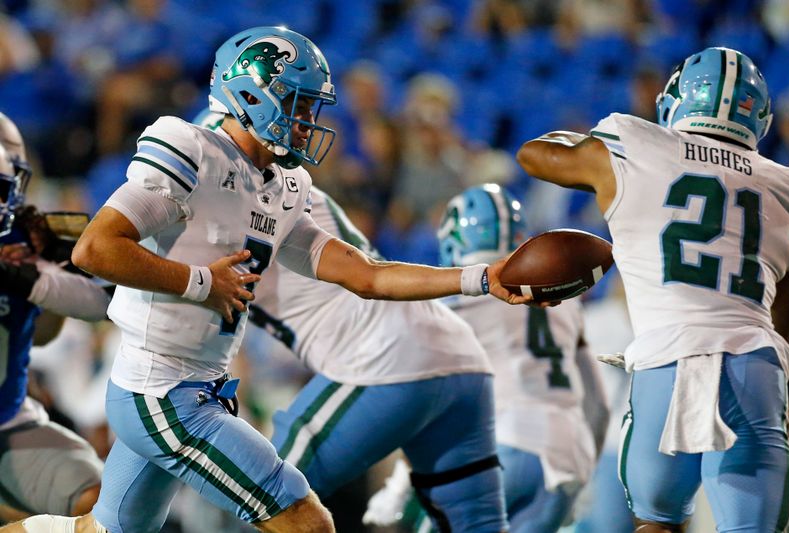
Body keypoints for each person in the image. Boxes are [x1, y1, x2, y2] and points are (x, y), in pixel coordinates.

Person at [3, 26, 529, 533]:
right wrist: (201, 283)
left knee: (98, 529)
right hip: (161, 389)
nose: (307, 122)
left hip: (198, 385)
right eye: (298, 105)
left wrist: (482, 277)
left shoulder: (285, 185)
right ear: (252, 96)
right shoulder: (190, 147)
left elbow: (367, 275)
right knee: (306, 520)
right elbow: (98, 249)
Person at [515, 46, 789, 533]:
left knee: (655, 523)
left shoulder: (634, 141)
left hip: (663, 366)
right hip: (754, 365)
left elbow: (535, 155)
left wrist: (578, 139)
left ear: (676, 98)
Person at [250, 184, 507, 533]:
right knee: (476, 524)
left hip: (380, 354)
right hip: (460, 355)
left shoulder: (236, 192)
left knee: (263, 493)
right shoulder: (284, 186)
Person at [362, 184, 610, 533]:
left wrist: (398, 486)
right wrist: (583, 474)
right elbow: (597, 405)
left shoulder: (455, 302)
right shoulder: (564, 304)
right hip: (569, 455)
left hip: (504, 446)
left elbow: (422, 407)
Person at [0, 112, 110, 524]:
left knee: (102, 506)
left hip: (8, 421)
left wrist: (42, 279)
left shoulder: (19, 247)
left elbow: (44, 335)